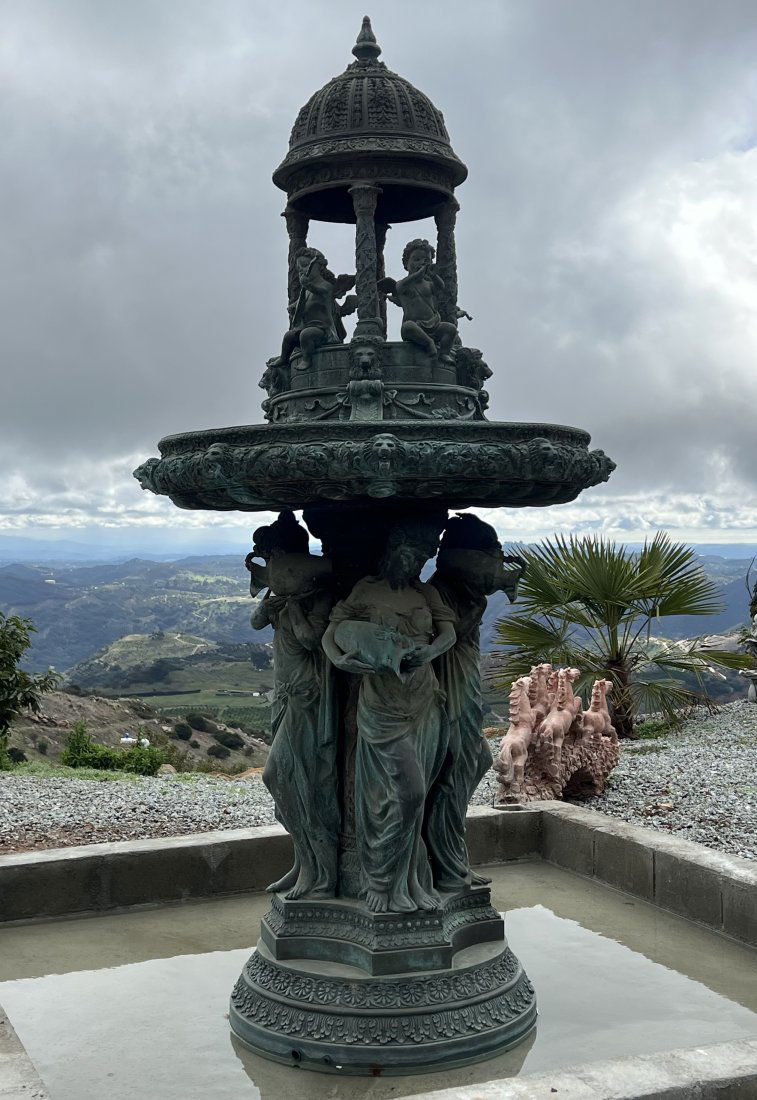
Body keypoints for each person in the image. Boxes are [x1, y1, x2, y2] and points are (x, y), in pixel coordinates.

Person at [322, 521, 456, 913]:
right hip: (382, 704)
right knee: (401, 793)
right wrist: (339, 658)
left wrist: (430, 653)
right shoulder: (367, 589)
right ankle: (379, 881)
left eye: (421, 558)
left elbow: (448, 633)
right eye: (409, 555)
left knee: (417, 796)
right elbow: (333, 632)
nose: (414, 564)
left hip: (424, 699)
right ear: (392, 551)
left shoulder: (424, 592)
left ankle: (409, 881)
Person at [426, 515, 525, 888]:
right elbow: (443, 639)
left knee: (473, 760)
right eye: (491, 554)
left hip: (463, 686)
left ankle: (451, 857)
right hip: (448, 690)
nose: (497, 562)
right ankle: (446, 863)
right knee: (459, 765)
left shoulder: (462, 590)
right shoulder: (440, 591)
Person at [248, 511, 339, 899]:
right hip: (285, 694)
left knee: (287, 778)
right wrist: (274, 602)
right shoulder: (281, 593)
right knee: (291, 788)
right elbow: (255, 622)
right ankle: (303, 863)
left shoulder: (318, 593)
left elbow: (310, 641)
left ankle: (323, 873)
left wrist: (294, 603)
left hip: (308, 698)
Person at [269, 247, 355, 371]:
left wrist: (308, 285)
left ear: (317, 266)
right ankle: (284, 358)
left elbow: (322, 292)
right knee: (289, 336)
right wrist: (294, 306)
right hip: (308, 326)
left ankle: (306, 360)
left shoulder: (326, 286)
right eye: (299, 269)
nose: (302, 271)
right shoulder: (306, 291)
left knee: (306, 335)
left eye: (304, 266)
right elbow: (302, 302)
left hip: (324, 331)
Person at [380, 239, 459, 362]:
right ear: (406, 263)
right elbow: (399, 288)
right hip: (414, 327)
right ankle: (428, 343)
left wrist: (433, 274)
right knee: (407, 327)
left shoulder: (428, 284)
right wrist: (418, 274)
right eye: (416, 260)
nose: (421, 263)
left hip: (434, 325)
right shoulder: (404, 284)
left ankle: (444, 353)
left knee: (450, 329)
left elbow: (441, 286)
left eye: (426, 260)